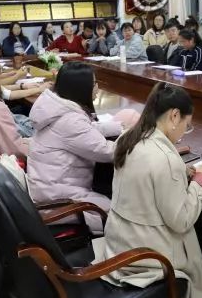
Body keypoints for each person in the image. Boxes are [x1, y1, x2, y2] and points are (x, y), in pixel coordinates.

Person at [93, 82, 202, 298]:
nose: (184, 132)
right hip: (149, 258)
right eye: (187, 125)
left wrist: (183, 172)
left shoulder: (128, 137)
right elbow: (181, 221)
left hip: (119, 247)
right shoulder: (165, 159)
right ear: (174, 116)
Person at [28, 62, 128, 231]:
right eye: (94, 83)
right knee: (123, 215)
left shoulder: (57, 108)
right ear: (82, 88)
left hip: (48, 188)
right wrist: (134, 139)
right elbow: (107, 152)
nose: (97, 88)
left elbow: (86, 130)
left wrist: (120, 128)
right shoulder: (70, 120)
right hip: (59, 200)